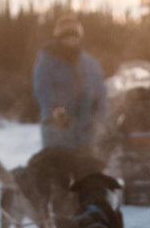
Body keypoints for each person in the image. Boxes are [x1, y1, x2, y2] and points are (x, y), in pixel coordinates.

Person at [32, 14, 107, 154]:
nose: (72, 40)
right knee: (58, 165)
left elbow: (101, 92)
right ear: (59, 38)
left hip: (87, 129)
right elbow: (42, 87)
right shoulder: (47, 61)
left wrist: (100, 118)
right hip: (58, 127)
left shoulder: (90, 63)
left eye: (75, 36)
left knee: (88, 169)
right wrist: (54, 108)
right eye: (67, 37)